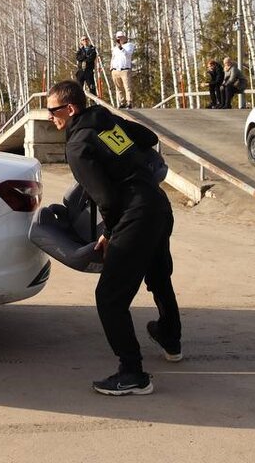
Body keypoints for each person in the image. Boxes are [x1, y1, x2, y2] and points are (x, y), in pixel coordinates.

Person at [46, 79, 181, 396]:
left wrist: (109, 231)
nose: (49, 116)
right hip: (158, 206)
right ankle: (170, 339)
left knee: (109, 298)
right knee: (158, 275)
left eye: (52, 111)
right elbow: (147, 137)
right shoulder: (105, 121)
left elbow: (106, 198)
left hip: (134, 216)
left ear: (70, 108)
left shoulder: (78, 146)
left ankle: (132, 372)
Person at [109, 31, 136, 108]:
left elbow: (127, 54)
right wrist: (111, 67)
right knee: (118, 87)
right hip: (115, 70)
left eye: (120, 37)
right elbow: (113, 58)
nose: (119, 39)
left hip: (125, 70)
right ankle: (121, 102)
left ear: (124, 37)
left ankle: (129, 102)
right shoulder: (115, 48)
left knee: (127, 87)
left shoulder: (129, 45)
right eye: (118, 38)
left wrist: (120, 47)